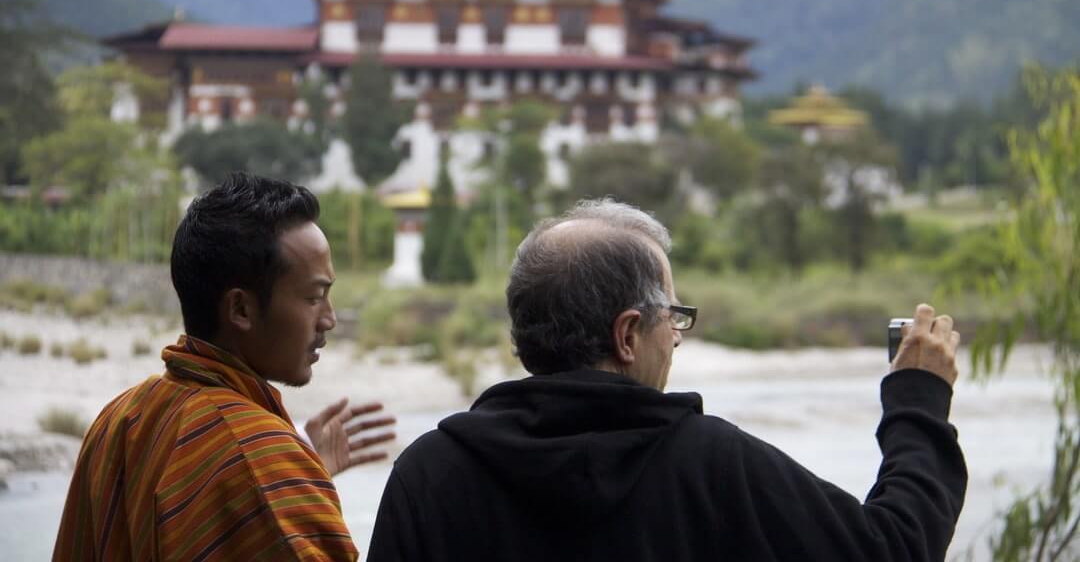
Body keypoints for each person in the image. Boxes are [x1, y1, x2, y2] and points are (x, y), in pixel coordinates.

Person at [367, 199, 967, 561]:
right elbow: (894, 552)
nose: (675, 339)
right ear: (628, 335)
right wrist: (918, 404)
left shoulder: (431, 472)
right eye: (673, 318)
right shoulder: (711, 465)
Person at [53, 173, 395, 561]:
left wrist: (304, 474)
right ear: (241, 309)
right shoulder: (262, 459)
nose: (329, 319)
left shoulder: (120, 419)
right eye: (314, 298)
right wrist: (286, 476)